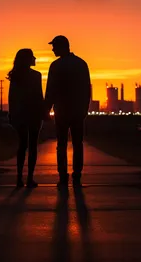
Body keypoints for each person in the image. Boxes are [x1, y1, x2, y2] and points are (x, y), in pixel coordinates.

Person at [45, 35, 91, 188]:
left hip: (62, 111)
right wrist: (85, 108)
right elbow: (87, 89)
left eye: (54, 46)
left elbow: (50, 90)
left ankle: (63, 177)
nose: (52, 49)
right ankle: (76, 176)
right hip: (78, 111)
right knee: (78, 144)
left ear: (61, 47)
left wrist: (46, 109)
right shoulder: (81, 64)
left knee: (62, 144)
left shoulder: (56, 66)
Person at [8, 49, 44, 188]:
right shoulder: (36, 75)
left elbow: (12, 97)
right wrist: (44, 113)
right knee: (32, 146)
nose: (35, 58)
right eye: (32, 56)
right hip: (34, 114)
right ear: (28, 59)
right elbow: (39, 96)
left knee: (22, 145)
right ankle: (29, 178)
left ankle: (19, 178)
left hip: (20, 114)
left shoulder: (16, 76)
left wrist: (12, 114)